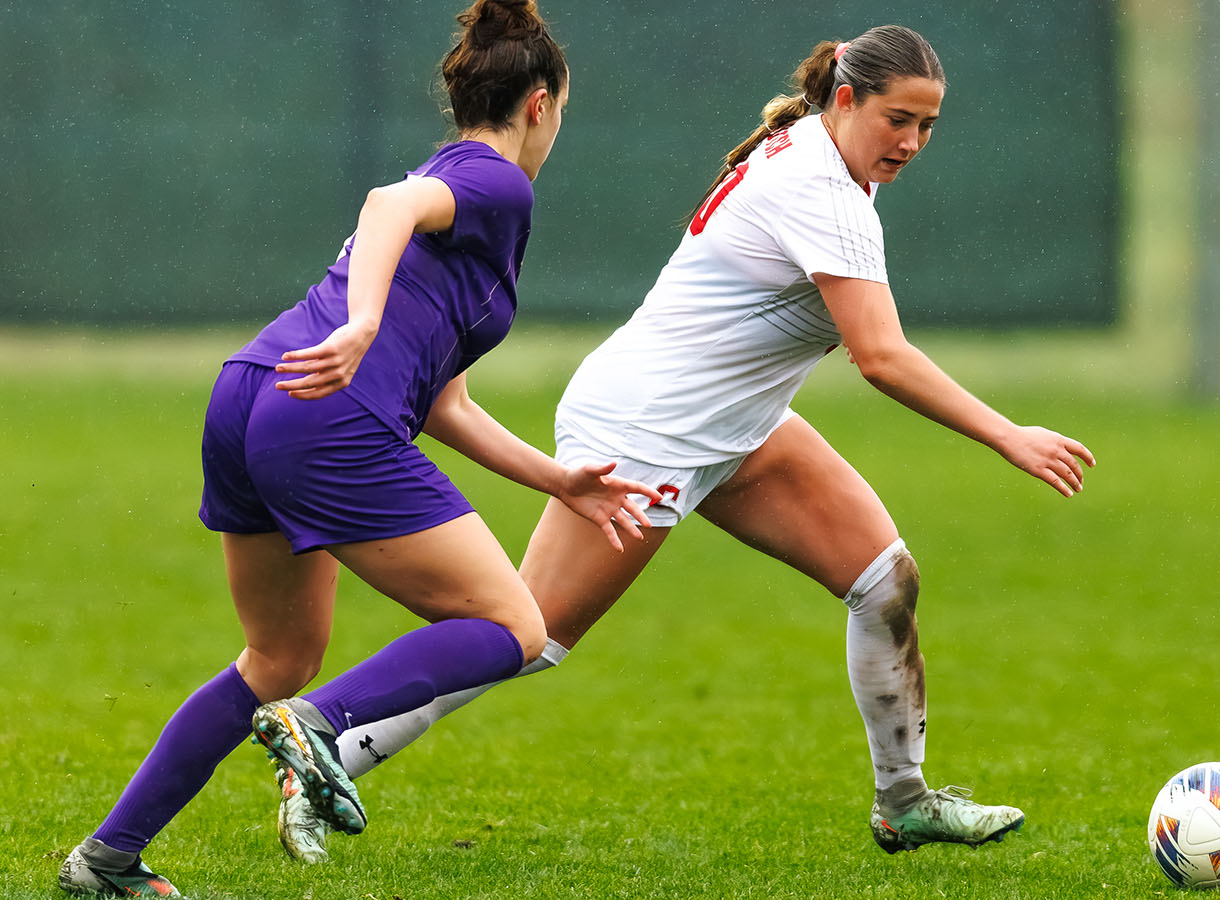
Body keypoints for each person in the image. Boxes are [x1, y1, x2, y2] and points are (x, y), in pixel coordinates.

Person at [277, 23, 1096, 862]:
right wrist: (1008, 434)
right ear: (845, 100)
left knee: (885, 581)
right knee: (521, 636)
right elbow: (880, 357)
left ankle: (905, 800)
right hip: (648, 429)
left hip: (735, 425)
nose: (913, 143)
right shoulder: (821, 187)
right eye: (899, 120)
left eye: (928, 126)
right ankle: (323, 748)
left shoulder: (821, 151)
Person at [56, 2, 659, 896]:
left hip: (255, 390)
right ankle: (319, 724)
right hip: (323, 411)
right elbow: (390, 204)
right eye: (562, 109)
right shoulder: (496, 182)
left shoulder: (465, 191)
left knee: (276, 658)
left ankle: (105, 860)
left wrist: (556, 477)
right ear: (540, 103)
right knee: (512, 629)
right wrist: (364, 322)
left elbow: (444, 401)